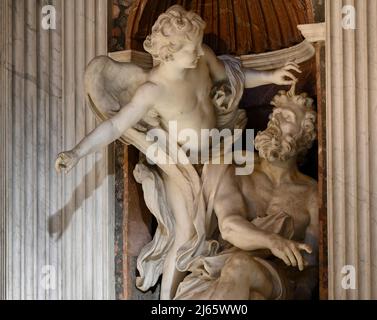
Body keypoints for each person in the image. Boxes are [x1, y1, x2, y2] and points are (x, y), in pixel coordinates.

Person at [54, 5, 301, 299]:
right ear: (170, 50)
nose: (198, 54)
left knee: (229, 220)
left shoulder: (203, 58)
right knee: (184, 236)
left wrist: (272, 76)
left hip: (219, 150)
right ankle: (168, 302)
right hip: (180, 166)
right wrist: (76, 152)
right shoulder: (152, 90)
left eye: (198, 47)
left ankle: (221, 281)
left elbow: (234, 79)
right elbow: (115, 126)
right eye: (191, 49)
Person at [175, 88, 319, 300]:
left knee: (240, 266)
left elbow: (311, 265)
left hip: (278, 280)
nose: (276, 121)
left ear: (304, 134)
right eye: (275, 115)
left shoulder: (311, 194)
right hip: (224, 270)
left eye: (286, 117)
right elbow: (229, 226)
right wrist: (273, 241)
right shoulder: (235, 169)